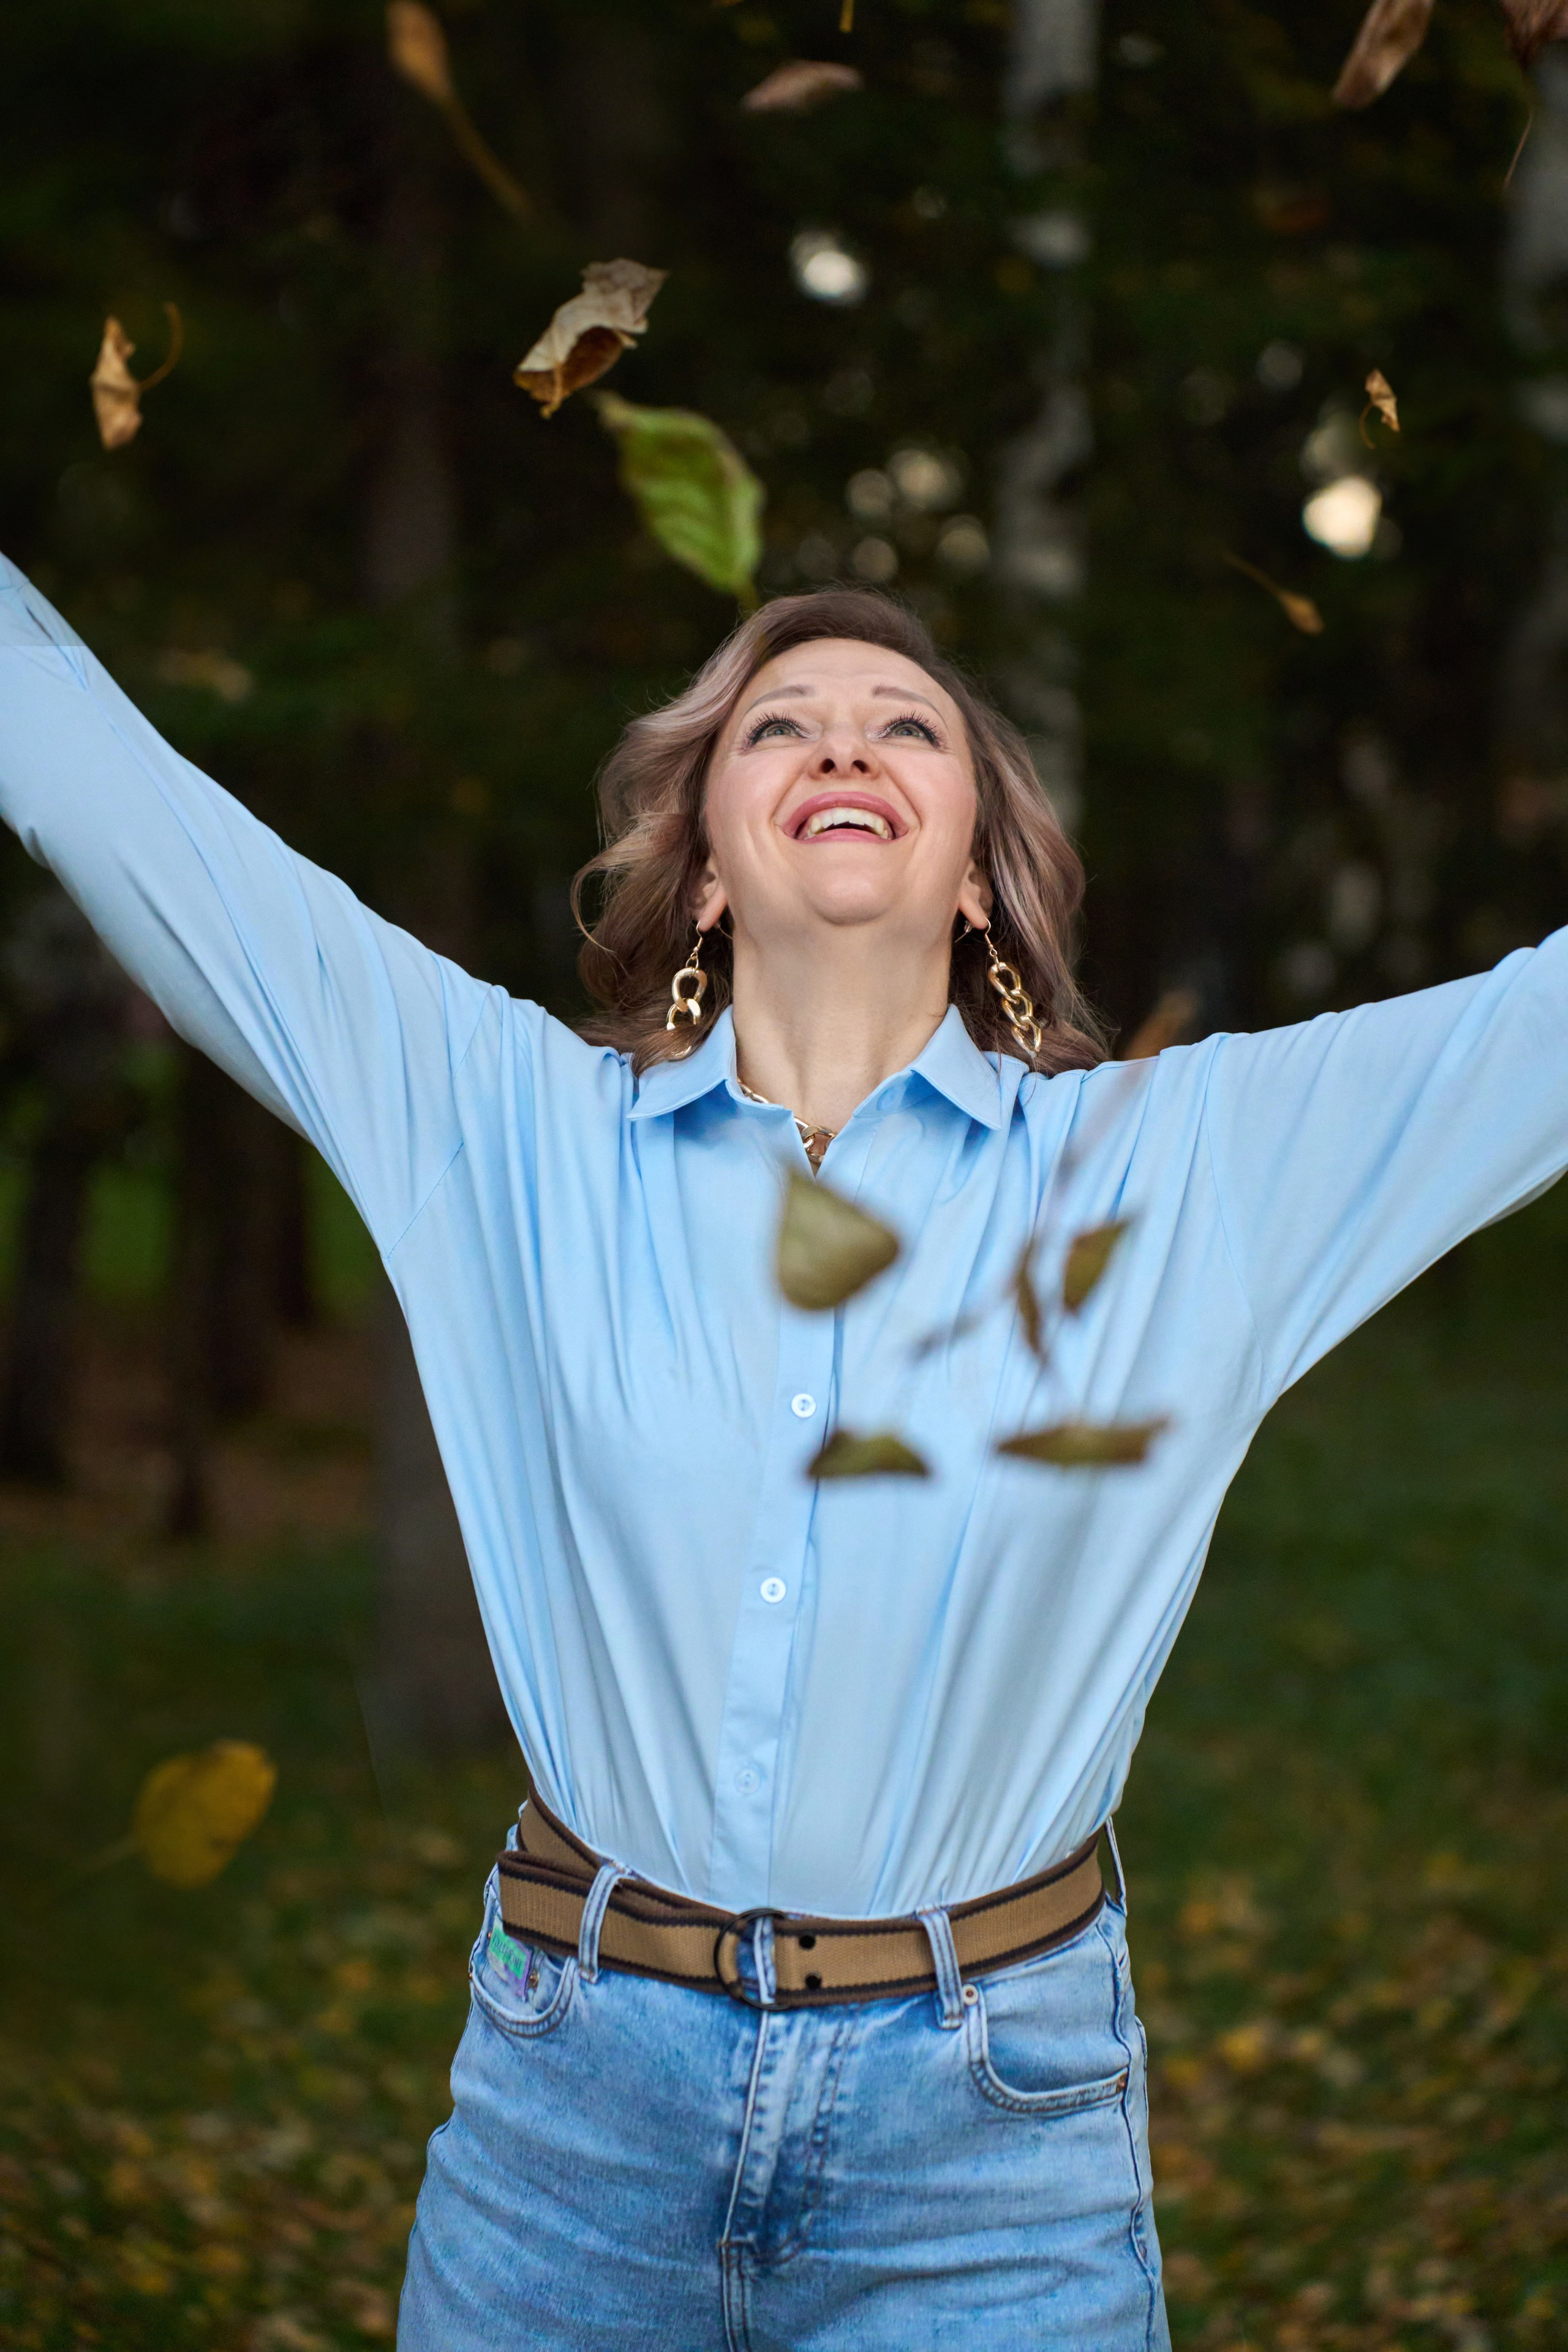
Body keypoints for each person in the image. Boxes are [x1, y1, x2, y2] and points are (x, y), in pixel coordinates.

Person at [2, 558, 1565, 2352]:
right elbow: (111, 794)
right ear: (708, 860)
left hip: (994, 2155)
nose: (848, 739)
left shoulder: (1180, 1171)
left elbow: (1538, 1035)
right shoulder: (502, 1126)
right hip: (570, 2112)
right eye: (783, 723)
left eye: (909, 725)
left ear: (975, 863)